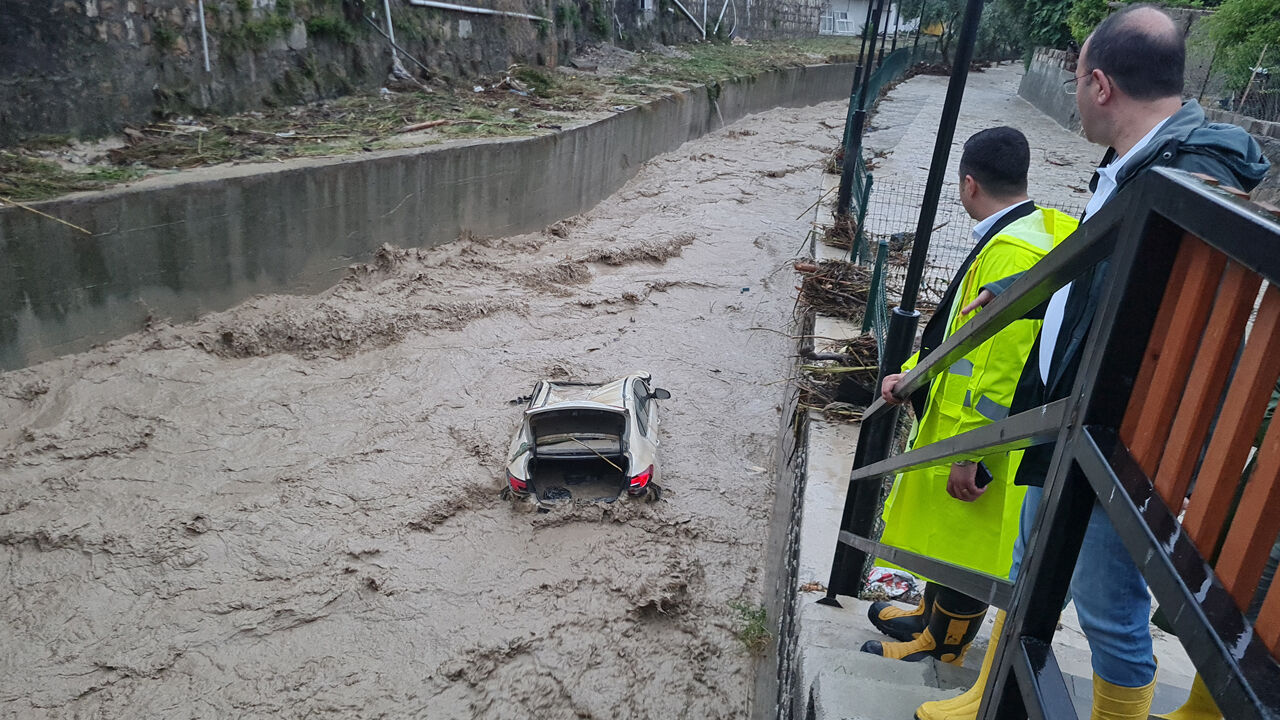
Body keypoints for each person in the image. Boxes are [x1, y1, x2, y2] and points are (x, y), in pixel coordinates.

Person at [912, 7, 1269, 720]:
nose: (1075, 95)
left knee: (1108, 606)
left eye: (1077, 80)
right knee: (1031, 567)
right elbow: (1102, 275)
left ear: (1100, 85)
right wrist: (1027, 292)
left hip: (1120, 432)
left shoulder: (1186, 176)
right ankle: (993, 693)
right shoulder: (1138, 165)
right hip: (1076, 413)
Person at [862, 127, 1078, 666]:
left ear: (969, 183)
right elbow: (959, 336)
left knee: (966, 544)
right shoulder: (1032, 231)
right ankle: (930, 619)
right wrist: (910, 373)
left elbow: (1000, 367)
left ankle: (944, 646)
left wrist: (976, 455)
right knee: (950, 535)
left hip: (980, 436)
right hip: (972, 428)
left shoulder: (1009, 251)